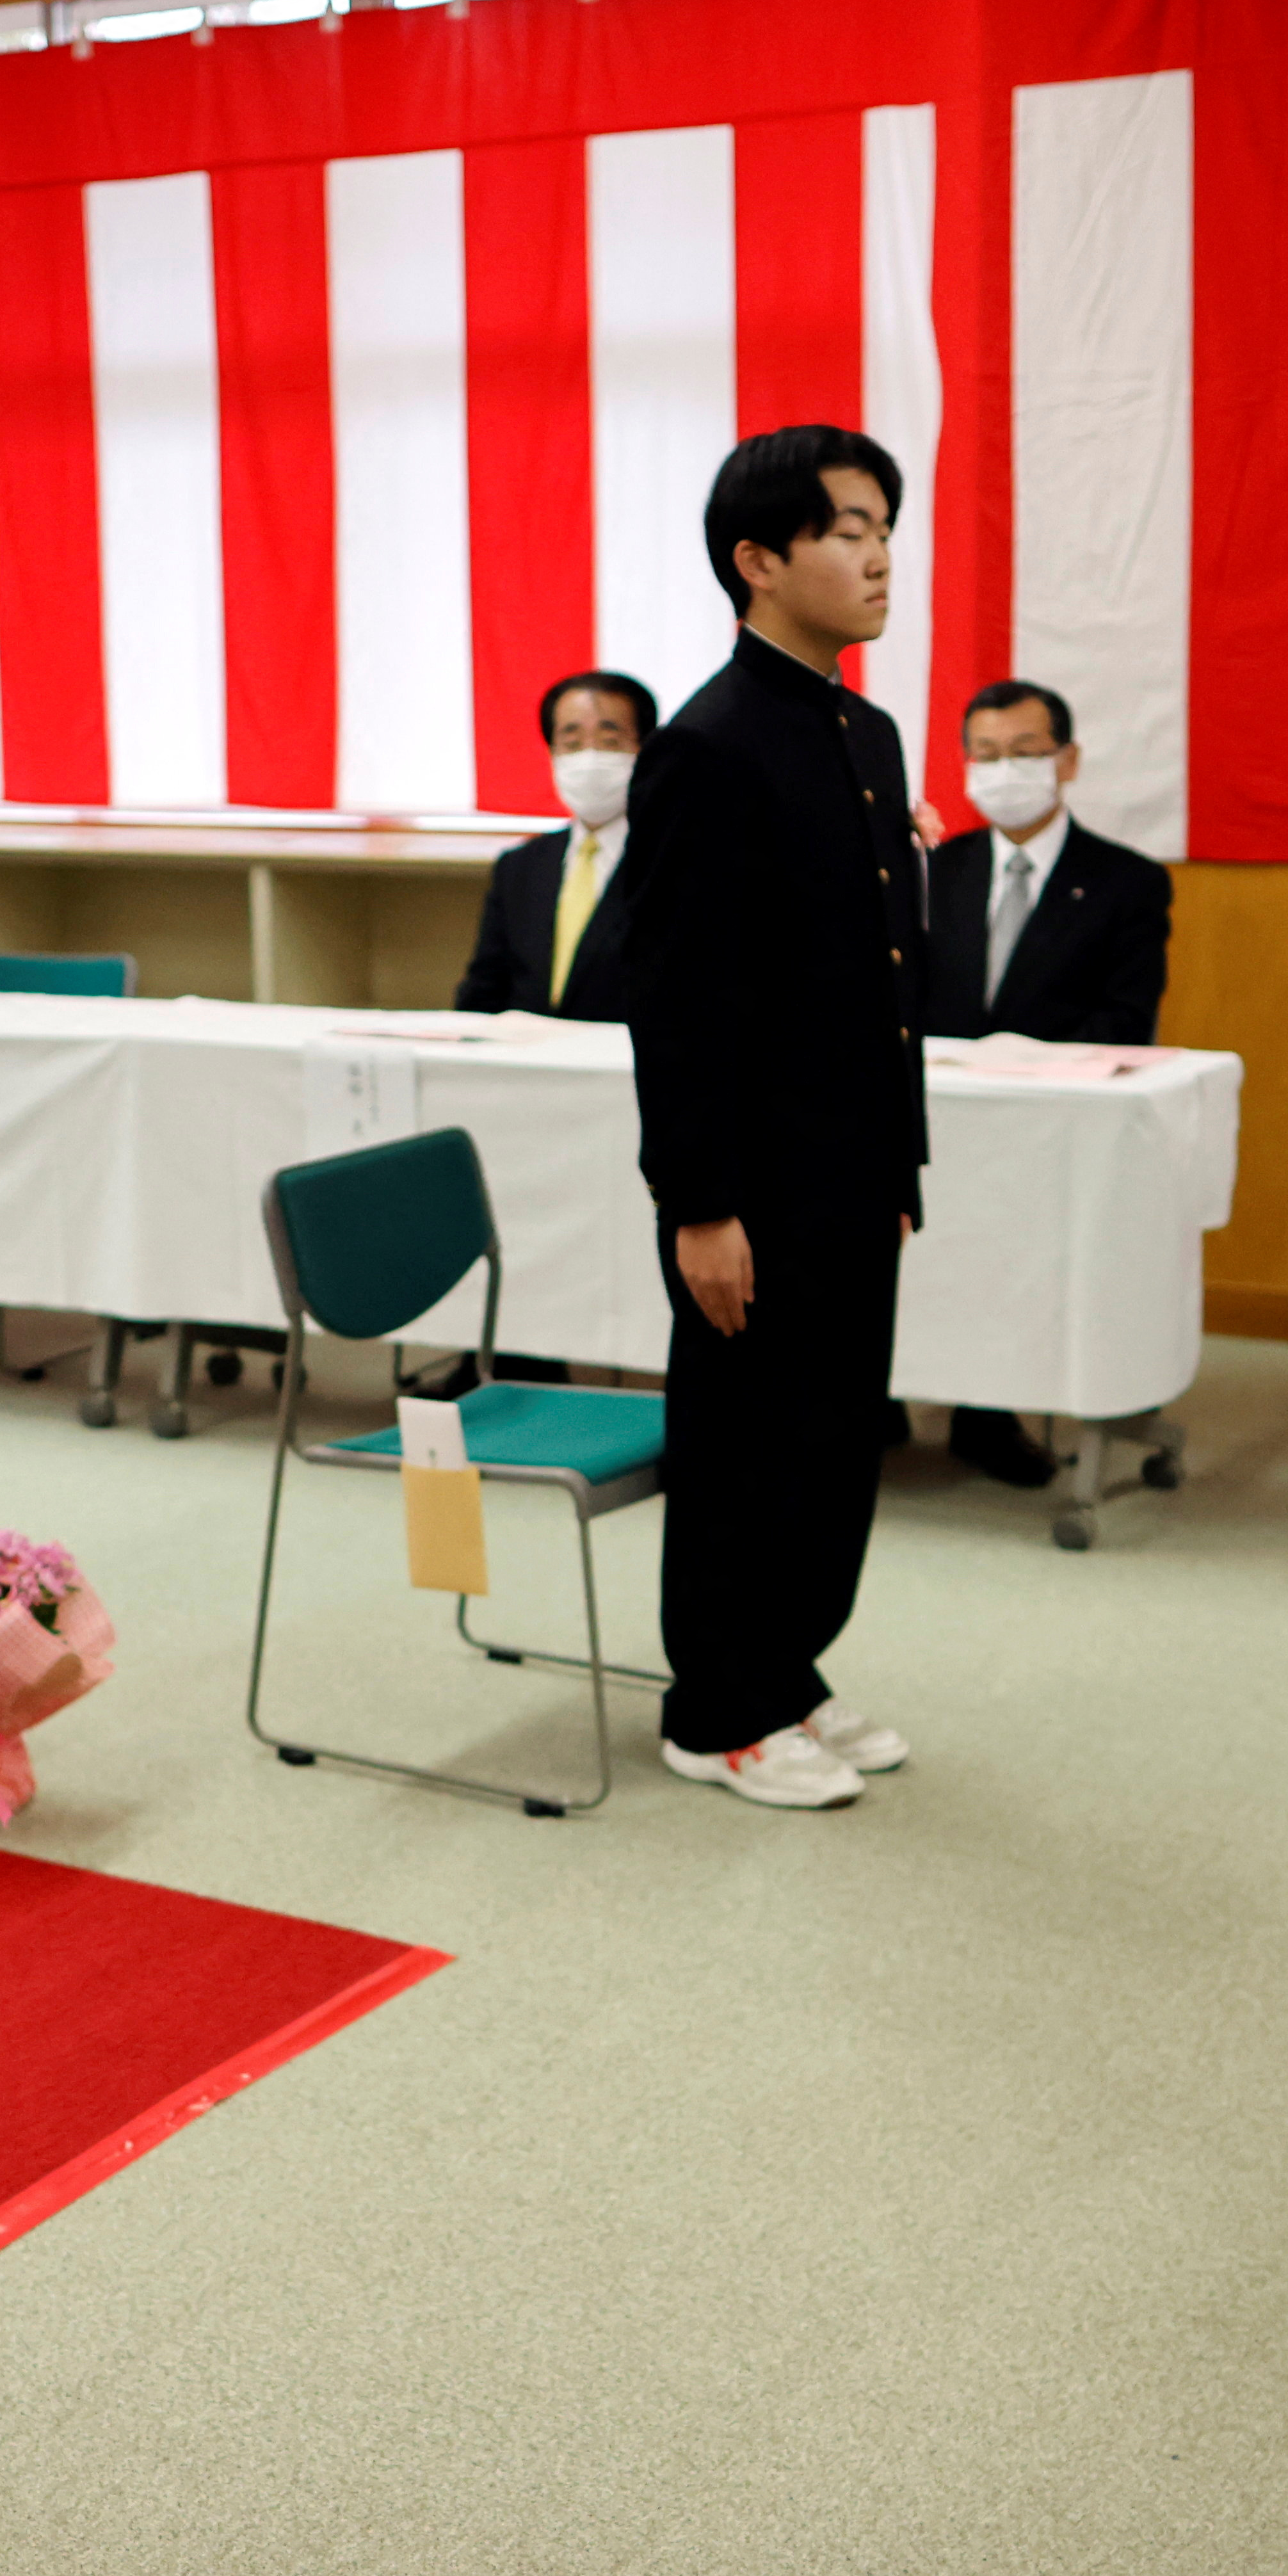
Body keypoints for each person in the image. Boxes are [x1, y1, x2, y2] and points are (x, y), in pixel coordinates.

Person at [604, 425, 924, 1814]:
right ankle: (714, 1705)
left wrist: (900, 1156)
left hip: (858, 1168)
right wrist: (701, 1203)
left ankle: (787, 1669)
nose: (878, 556)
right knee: (745, 1442)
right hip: (757, 1182)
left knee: (835, 1436)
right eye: (849, 528)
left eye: (885, 530)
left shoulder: (865, 732)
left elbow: (885, 980)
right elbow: (676, 1003)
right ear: (759, 559)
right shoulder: (708, 748)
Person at [922, 677, 1175, 1488]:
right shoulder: (932, 869)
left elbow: (1126, 1022)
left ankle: (991, 1415)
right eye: (986, 755)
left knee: (1015, 1263)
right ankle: (888, 1399)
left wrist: (1015, 1064)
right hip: (932, 1118)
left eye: (1024, 753)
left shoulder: (1127, 881)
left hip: (1049, 1128)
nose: (1004, 770)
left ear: (1066, 760)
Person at [453, 671, 652, 1018]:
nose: (589, 759)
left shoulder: (675, 861)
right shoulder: (520, 866)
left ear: (645, 748)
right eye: (572, 744)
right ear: (552, 753)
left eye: (610, 741)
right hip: (528, 1063)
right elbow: (484, 992)